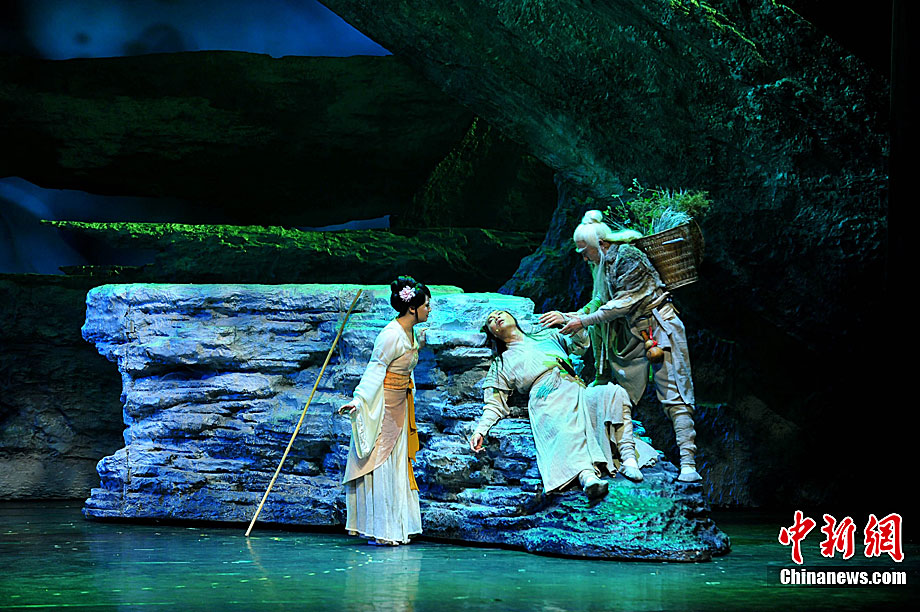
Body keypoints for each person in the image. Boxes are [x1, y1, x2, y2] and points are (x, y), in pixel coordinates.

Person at [540, 210, 702, 483]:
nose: (584, 258)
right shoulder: (602, 265)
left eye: (585, 251)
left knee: (674, 393)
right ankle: (627, 457)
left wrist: (582, 321)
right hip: (634, 332)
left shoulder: (628, 257)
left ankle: (689, 463)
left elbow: (622, 304)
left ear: (601, 244)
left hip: (660, 325)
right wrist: (569, 316)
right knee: (618, 394)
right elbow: (599, 301)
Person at [469, 310, 658, 501]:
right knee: (567, 425)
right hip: (547, 397)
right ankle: (587, 476)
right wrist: (480, 430)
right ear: (492, 333)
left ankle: (629, 459)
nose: (497, 318)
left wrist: (567, 320)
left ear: (513, 318)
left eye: (500, 313)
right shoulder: (501, 363)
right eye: (491, 320)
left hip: (577, 388)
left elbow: (581, 344)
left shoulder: (547, 335)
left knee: (613, 393)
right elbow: (495, 403)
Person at [339, 276, 432, 545]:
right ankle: (382, 530)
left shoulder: (409, 333)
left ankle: (397, 526)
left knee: (396, 463)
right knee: (381, 462)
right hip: (384, 407)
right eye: (426, 305)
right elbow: (375, 368)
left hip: (400, 405)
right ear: (412, 308)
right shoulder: (390, 335)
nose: (429, 309)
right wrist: (359, 399)